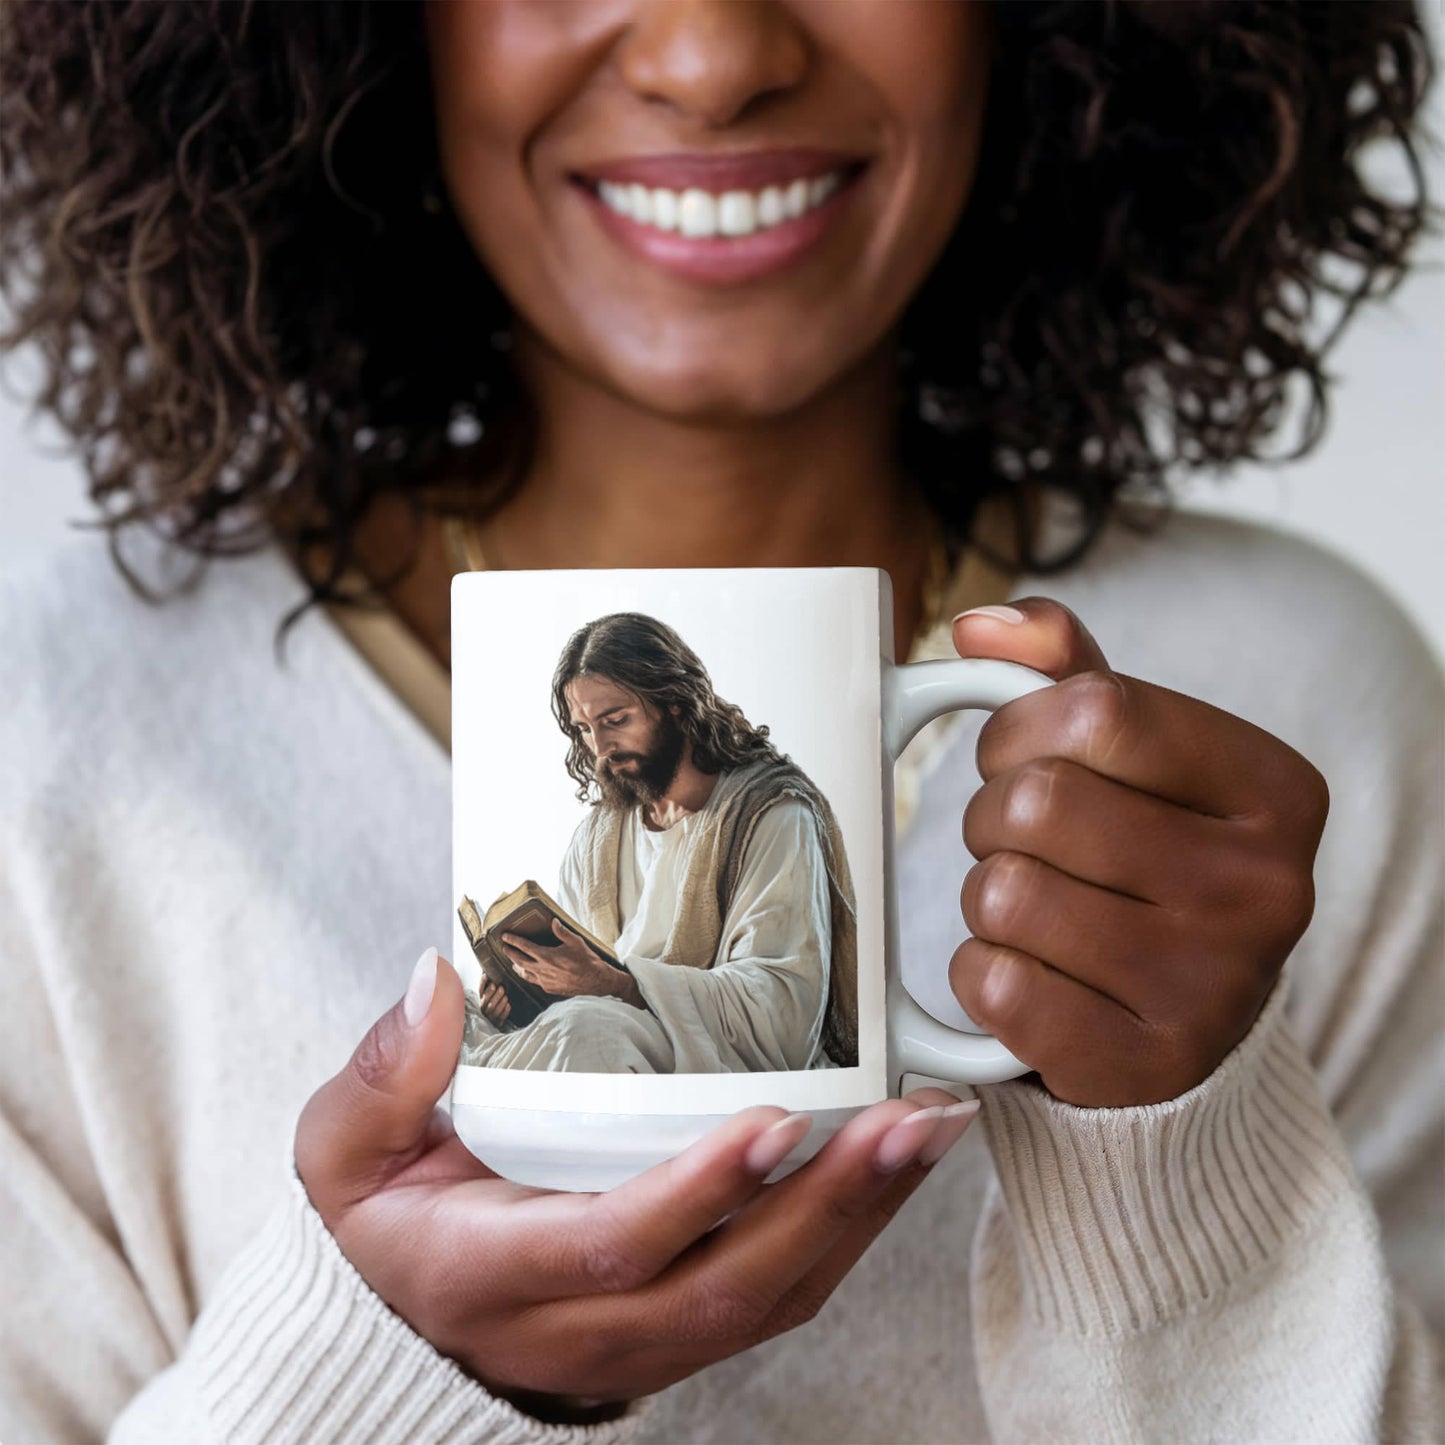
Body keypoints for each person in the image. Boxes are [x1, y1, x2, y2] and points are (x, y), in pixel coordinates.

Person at [0, 1, 1440, 1441]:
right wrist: (375, 1376)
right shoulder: (64, 736)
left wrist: (1186, 1162)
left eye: (624, 718)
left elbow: (771, 997)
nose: (712, 55)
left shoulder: (1287, 714)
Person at [463, 610, 859, 1073]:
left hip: (714, 1068)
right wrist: (518, 996)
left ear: (674, 702)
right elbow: (568, 998)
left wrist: (617, 985)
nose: (601, 749)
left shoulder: (771, 816)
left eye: (616, 720)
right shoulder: (595, 841)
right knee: (461, 1012)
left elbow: (783, 1015)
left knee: (588, 1034)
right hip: (597, 1036)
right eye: (585, 730)